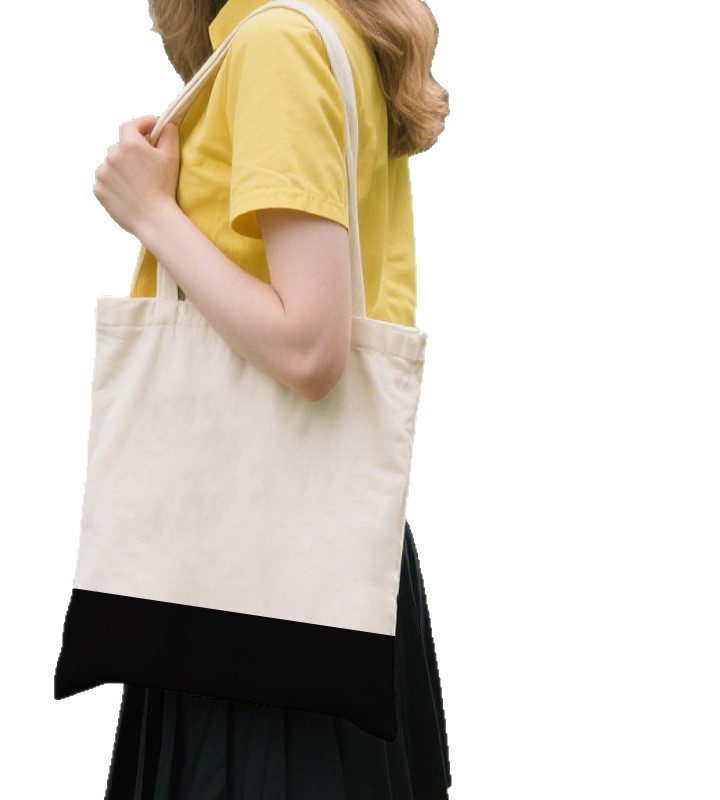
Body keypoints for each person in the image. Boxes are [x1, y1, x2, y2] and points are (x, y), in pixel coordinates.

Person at [92, 0, 451, 797]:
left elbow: (309, 347)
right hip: (303, 561)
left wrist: (150, 212)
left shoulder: (278, 43)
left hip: (257, 582)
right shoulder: (322, 29)